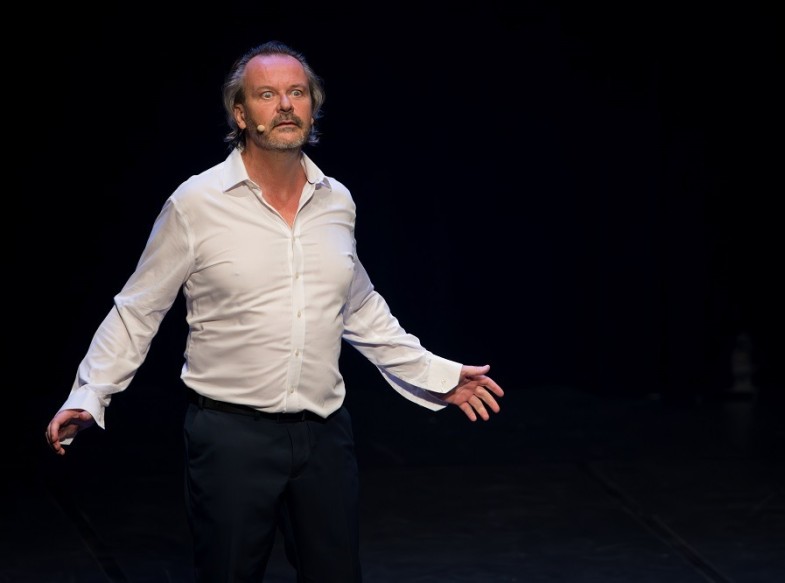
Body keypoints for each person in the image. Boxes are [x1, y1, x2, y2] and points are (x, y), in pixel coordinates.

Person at [45, 39, 505, 582]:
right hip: (231, 439)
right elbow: (137, 310)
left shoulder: (336, 200)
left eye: (297, 93)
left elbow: (359, 308)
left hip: (324, 437)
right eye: (267, 95)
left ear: (313, 106)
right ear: (241, 115)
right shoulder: (197, 203)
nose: (285, 105)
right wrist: (90, 394)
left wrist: (437, 376)